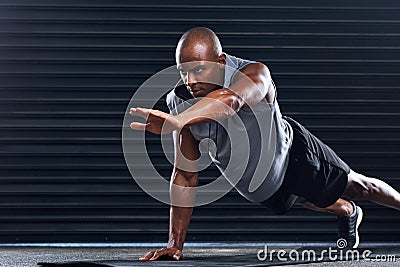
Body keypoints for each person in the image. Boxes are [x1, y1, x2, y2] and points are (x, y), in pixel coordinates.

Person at [130, 27, 400, 261]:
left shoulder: (254, 73)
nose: (190, 81)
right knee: (306, 199)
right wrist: (174, 245)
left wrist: (181, 121)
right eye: (183, 72)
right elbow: (186, 174)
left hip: (297, 159)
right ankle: (349, 212)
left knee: (361, 186)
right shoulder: (178, 103)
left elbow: (231, 100)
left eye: (199, 70)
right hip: (264, 189)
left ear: (221, 61)